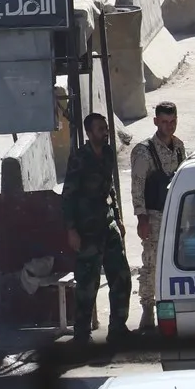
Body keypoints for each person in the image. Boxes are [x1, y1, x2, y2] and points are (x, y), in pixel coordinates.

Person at [60, 112, 128, 345]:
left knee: (121, 277)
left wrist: (117, 217)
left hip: (107, 224)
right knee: (88, 285)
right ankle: (81, 335)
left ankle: (118, 328)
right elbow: (67, 196)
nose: (105, 132)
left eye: (106, 128)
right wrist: (71, 230)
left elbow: (110, 189)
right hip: (86, 229)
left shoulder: (108, 154)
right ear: (89, 133)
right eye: (100, 129)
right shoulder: (80, 159)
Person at [130, 102, 185, 334]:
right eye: (164, 121)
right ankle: (147, 310)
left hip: (177, 218)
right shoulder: (144, 151)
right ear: (155, 121)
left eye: (172, 122)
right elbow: (137, 186)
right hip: (154, 216)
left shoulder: (179, 146)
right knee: (151, 264)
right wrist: (141, 218)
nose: (169, 126)